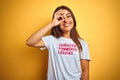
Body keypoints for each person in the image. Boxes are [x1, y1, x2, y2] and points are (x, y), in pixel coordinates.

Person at [26, 5, 90, 80]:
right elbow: (30, 42)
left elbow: (85, 71)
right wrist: (51, 24)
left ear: (73, 19)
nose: (66, 20)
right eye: (60, 18)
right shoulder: (51, 40)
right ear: (57, 22)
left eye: (68, 16)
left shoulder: (82, 44)